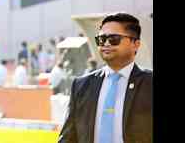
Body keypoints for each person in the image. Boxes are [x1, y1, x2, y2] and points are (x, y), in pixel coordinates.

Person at [57, 13, 152, 143]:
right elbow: (68, 137)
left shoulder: (149, 84)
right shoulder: (81, 85)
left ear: (135, 44)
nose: (106, 43)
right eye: (101, 39)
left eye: (114, 39)